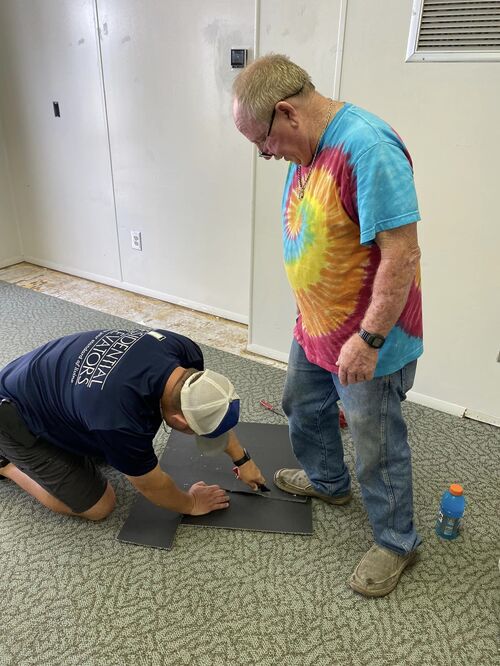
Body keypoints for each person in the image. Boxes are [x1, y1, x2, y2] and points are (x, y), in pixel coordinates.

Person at [233, 54, 423, 597]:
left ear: (288, 112)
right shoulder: (307, 146)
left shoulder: (368, 147)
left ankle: (397, 541)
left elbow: (402, 254)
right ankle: (328, 481)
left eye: (264, 142)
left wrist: (369, 339)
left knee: (375, 441)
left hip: (367, 338)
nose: (268, 153)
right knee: (303, 404)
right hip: (317, 325)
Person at [0, 328, 265, 520]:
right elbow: (152, 485)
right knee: (99, 507)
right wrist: (191, 503)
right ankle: (6, 465)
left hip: (42, 383)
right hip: (12, 416)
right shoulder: (120, 420)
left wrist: (242, 459)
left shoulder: (183, 350)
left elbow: (210, 404)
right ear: (178, 420)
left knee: (109, 453)